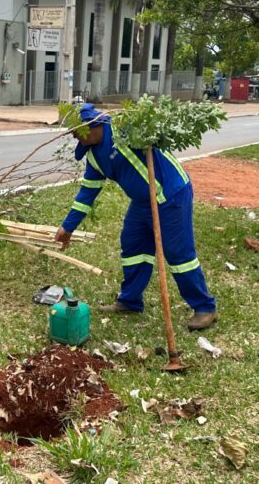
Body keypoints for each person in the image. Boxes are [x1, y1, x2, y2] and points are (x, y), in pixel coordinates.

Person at [53, 103, 217, 331]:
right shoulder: (93, 157)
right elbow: (87, 193)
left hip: (170, 194)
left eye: (75, 131)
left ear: (90, 125)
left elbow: (156, 129)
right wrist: (67, 227)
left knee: (179, 254)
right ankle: (130, 301)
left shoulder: (125, 129)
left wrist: (146, 127)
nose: (74, 137)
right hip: (143, 202)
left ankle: (204, 307)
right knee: (133, 246)